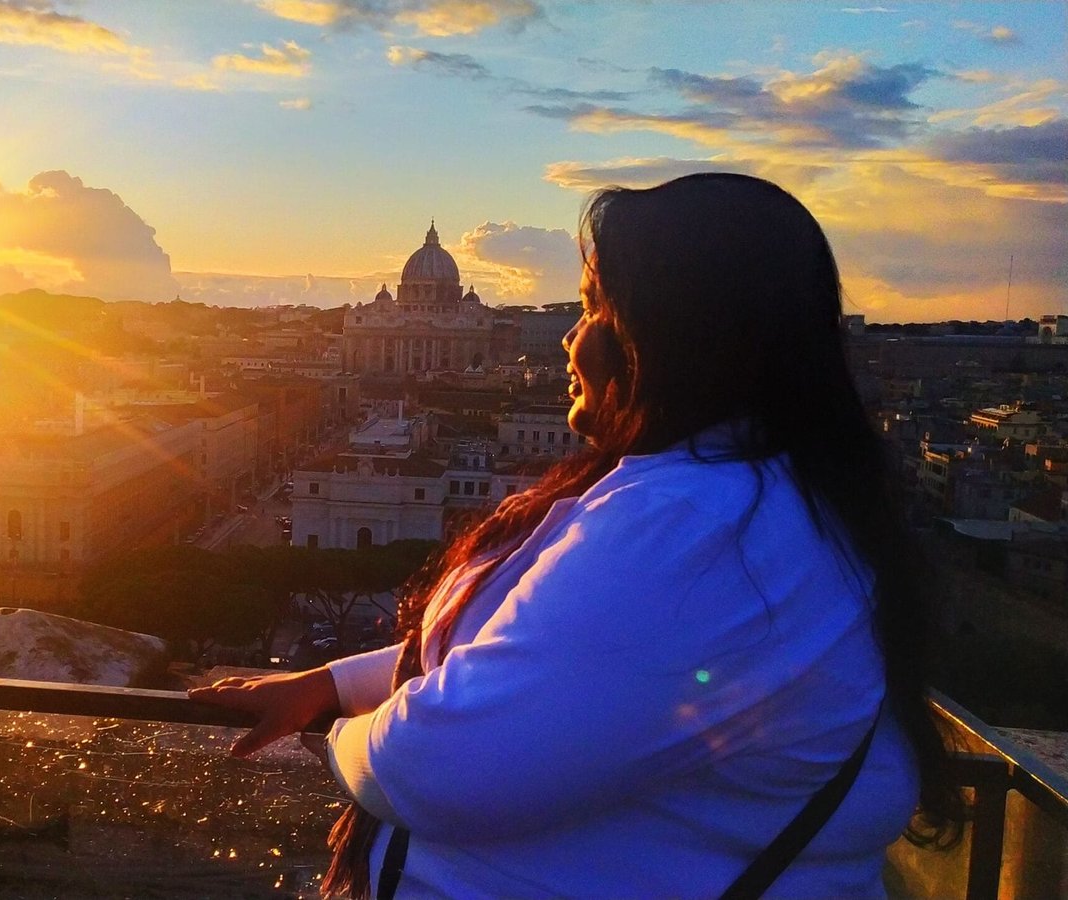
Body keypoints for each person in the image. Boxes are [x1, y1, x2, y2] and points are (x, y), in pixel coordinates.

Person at [190, 174, 961, 898]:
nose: (566, 339)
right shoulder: (763, 496)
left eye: (594, 308)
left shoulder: (694, 529)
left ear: (672, 338)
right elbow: (559, 652)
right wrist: (331, 682)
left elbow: (436, 766)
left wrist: (346, 734)